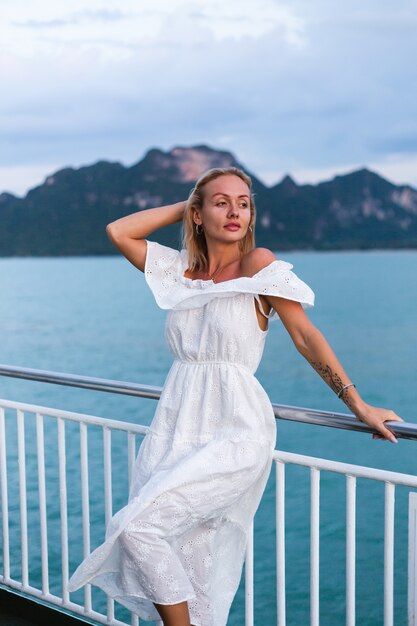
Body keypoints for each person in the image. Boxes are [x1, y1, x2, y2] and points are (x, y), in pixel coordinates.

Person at [67, 166, 404, 626]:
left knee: (139, 528)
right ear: (199, 213)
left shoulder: (258, 265)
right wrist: (184, 205)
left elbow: (305, 337)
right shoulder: (179, 271)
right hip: (175, 427)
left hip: (235, 428)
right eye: (221, 201)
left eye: (243, 203)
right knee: (193, 561)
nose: (234, 211)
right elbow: (118, 231)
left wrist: (358, 405)